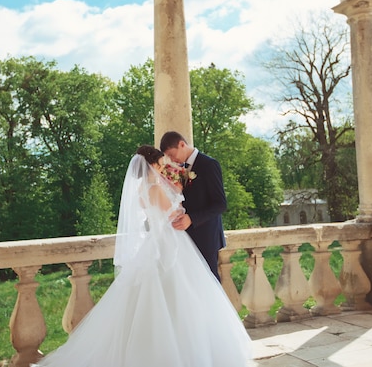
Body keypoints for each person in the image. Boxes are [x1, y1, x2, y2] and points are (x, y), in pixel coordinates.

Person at [33, 145, 251, 367]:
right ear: (152, 165)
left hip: (155, 242)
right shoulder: (156, 188)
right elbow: (175, 214)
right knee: (180, 292)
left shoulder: (142, 190)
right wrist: (179, 197)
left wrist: (174, 189)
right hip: (169, 242)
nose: (163, 166)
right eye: (160, 163)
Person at [159, 131, 226, 281]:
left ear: (182, 144)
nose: (170, 159)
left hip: (206, 236)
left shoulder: (209, 165)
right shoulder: (177, 168)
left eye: (171, 154)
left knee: (210, 283)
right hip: (184, 238)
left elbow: (220, 204)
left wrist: (192, 218)